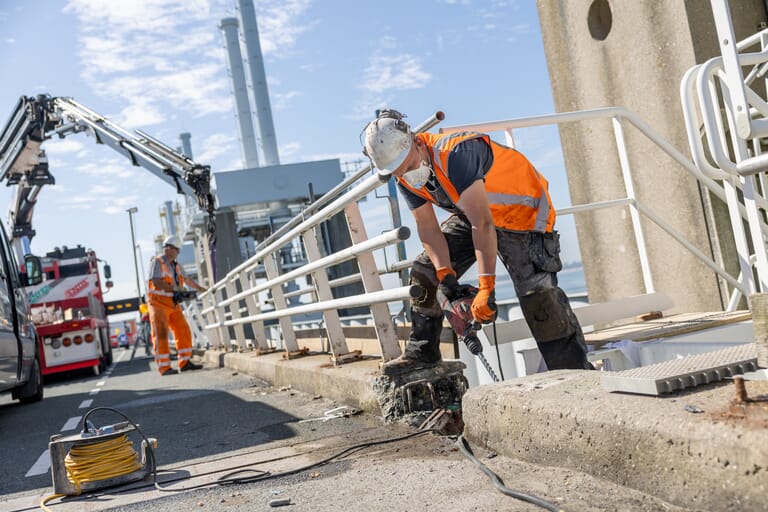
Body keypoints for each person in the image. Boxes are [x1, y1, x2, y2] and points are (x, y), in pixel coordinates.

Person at [362, 109, 593, 376]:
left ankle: (575, 373)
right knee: (425, 271)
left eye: (408, 165)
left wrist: (486, 288)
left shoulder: (456, 153)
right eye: (398, 171)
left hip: (523, 213)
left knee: (538, 297)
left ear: (415, 140)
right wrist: (445, 275)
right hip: (474, 212)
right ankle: (422, 353)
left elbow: (481, 224)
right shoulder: (404, 176)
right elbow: (427, 227)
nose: (406, 173)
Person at [146, 235, 207, 375]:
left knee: (183, 330)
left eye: (178, 250)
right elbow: (156, 282)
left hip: (172, 304)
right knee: (161, 335)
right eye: (176, 250)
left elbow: (186, 279)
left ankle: (185, 362)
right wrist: (175, 289)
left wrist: (200, 288)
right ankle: (164, 367)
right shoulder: (157, 262)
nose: (178, 253)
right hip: (158, 304)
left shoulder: (177, 265)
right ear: (168, 248)